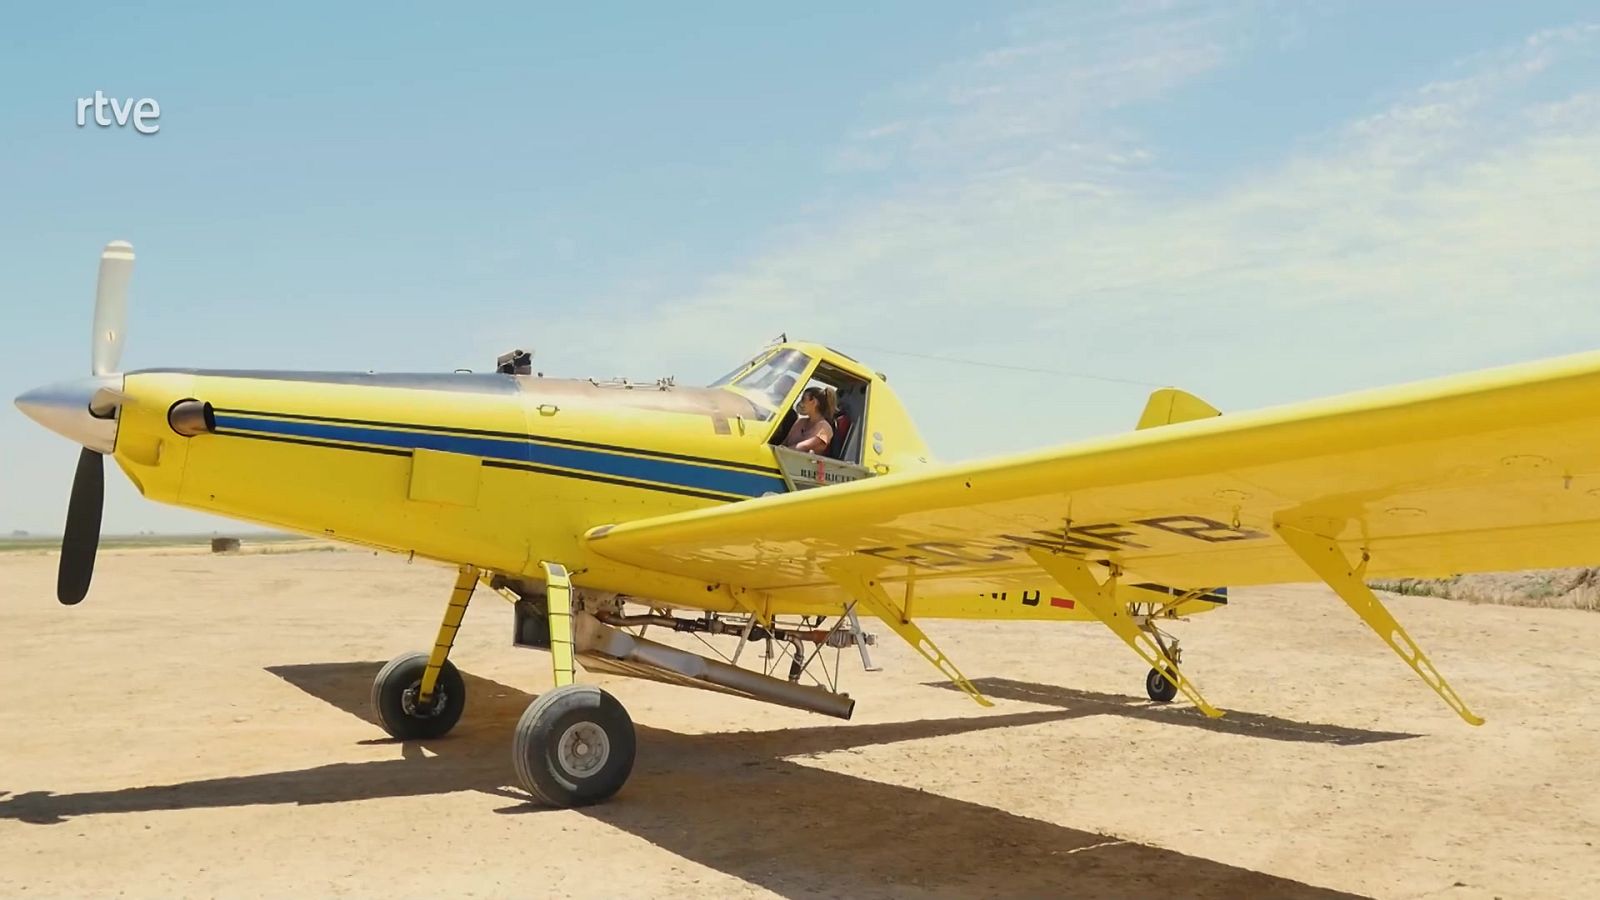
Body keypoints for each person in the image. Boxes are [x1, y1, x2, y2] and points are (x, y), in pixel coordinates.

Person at [782, 385, 836, 454]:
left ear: (814, 402)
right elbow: (785, 442)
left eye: (803, 399)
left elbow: (804, 447)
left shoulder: (825, 428)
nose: (801, 403)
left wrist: (782, 451)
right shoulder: (800, 422)